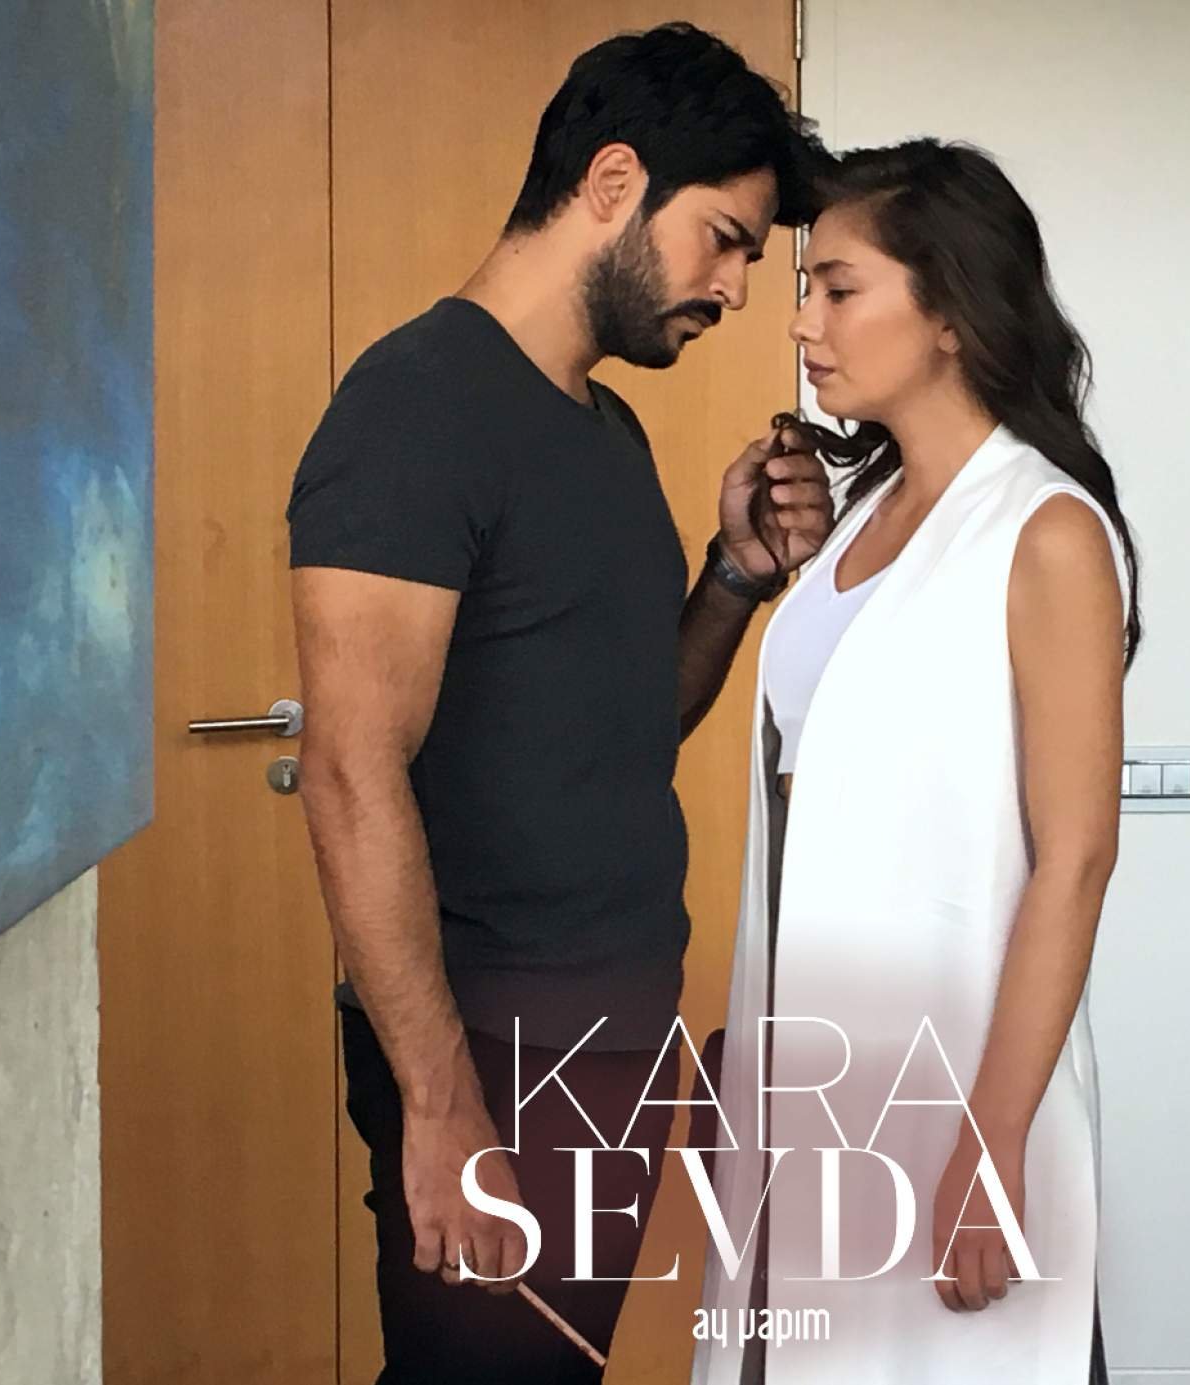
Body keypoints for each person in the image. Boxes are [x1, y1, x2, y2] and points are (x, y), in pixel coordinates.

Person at [285, 24, 835, 1383]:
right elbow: (353, 771)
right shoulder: (416, 407)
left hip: (608, 1033)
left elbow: (626, 722)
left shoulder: (602, 426)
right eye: (723, 240)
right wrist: (440, 1106)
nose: (735, 289)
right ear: (612, 183)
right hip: (491, 1046)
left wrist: (733, 578)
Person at [692, 140, 1140, 1384]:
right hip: (815, 1085)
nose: (802, 320)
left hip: (950, 1094)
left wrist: (989, 1148)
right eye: (806, 287)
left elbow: (1074, 859)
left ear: (948, 312)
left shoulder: (1044, 531)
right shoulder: (859, 520)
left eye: (839, 289)